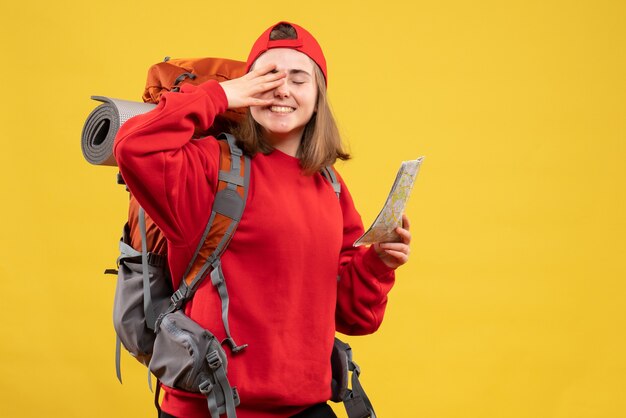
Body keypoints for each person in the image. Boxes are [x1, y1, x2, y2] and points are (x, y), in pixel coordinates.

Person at [114, 21, 411, 418]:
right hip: (211, 409)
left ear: (319, 95)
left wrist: (378, 264)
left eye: (299, 79)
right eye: (267, 77)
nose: (282, 90)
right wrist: (220, 94)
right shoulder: (209, 166)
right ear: (248, 86)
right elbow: (134, 146)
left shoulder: (330, 185)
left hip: (305, 407)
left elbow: (353, 316)